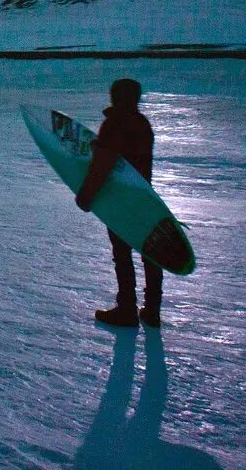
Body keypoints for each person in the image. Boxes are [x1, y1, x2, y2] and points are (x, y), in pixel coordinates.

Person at [75, 77, 161, 329]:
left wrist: (86, 196)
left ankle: (126, 310)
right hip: (144, 198)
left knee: (122, 254)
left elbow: (104, 164)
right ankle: (152, 310)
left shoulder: (114, 124)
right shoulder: (142, 123)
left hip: (120, 200)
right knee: (149, 254)